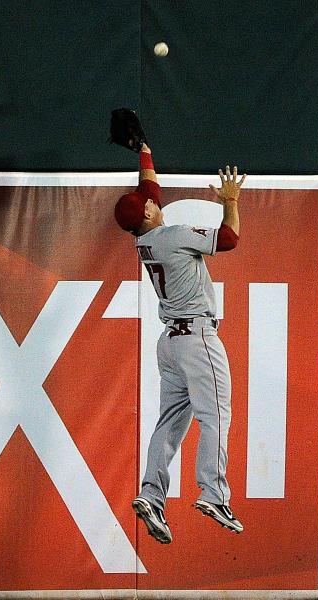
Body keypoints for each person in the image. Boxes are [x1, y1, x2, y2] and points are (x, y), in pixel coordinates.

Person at [113, 143, 245, 543]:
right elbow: (230, 238)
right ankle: (214, 492)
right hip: (197, 340)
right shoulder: (172, 236)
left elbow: (148, 194)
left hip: (169, 343)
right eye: (148, 203)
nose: (153, 200)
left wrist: (145, 153)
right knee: (216, 416)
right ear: (149, 214)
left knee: (169, 424)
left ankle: (152, 495)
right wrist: (230, 202)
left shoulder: (144, 239)